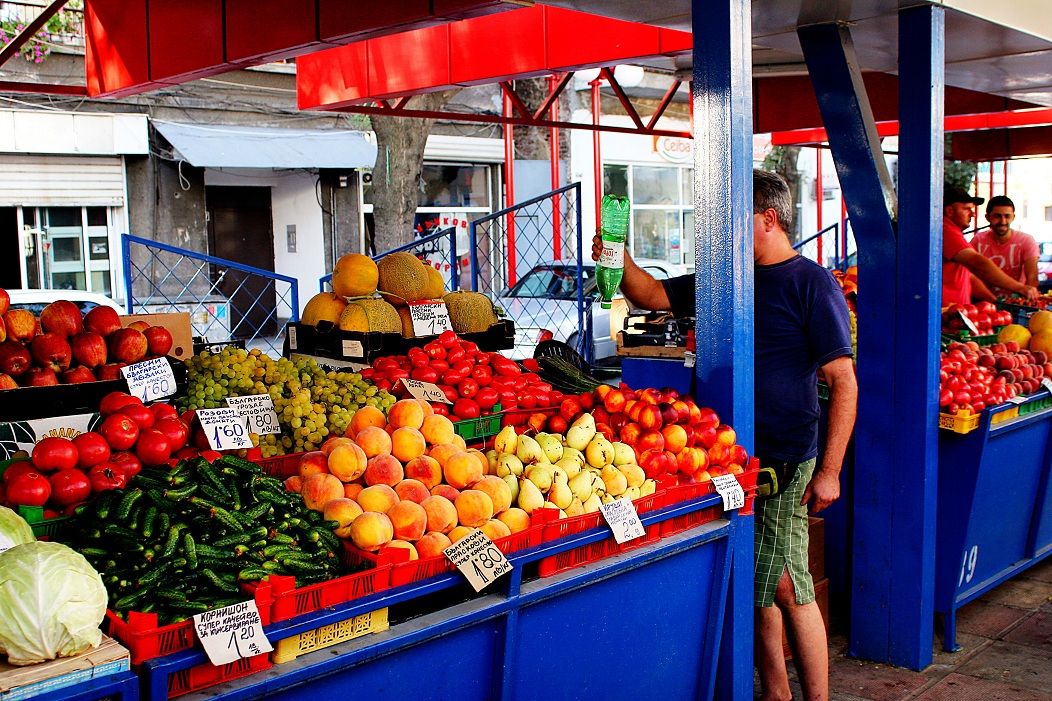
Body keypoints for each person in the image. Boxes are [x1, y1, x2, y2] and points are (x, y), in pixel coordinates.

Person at [593, 170, 857, 701]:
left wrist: (829, 471)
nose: (724, 234)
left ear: (769, 218)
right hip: (727, 461)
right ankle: (778, 693)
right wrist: (614, 256)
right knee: (755, 586)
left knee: (787, 583)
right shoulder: (724, 276)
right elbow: (650, 294)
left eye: (735, 221)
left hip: (785, 458)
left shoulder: (812, 283)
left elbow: (843, 381)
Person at [941, 187, 1038, 304]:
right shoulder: (946, 230)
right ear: (950, 211)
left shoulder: (954, 232)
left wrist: (995, 302)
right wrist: (1020, 288)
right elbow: (977, 263)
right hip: (947, 312)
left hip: (962, 310)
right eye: (967, 209)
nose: (972, 214)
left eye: (1007, 216)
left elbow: (969, 277)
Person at [970, 195, 1039, 297]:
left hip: (1016, 303)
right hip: (984, 302)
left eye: (1007, 216)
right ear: (988, 217)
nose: (1003, 222)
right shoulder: (978, 240)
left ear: (1013, 217)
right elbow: (969, 274)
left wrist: (1028, 299)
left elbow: (1032, 276)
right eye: (997, 216)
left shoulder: (1026, 240)